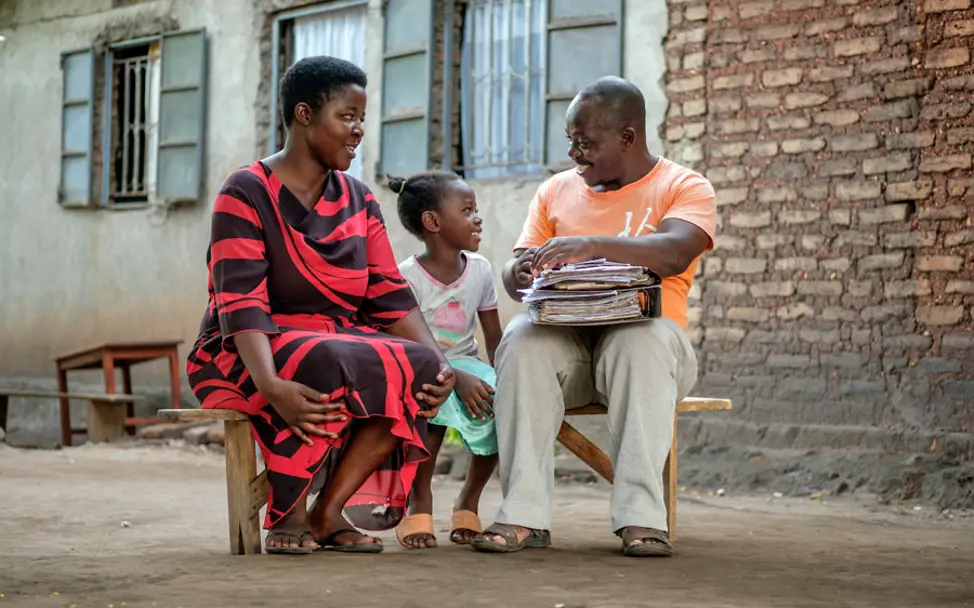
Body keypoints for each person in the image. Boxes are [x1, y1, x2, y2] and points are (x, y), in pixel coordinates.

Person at [186, 56, 455, 555]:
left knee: (417, 366)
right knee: (328, 357)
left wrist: (439, 362)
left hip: (333, 342)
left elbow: (389, 292)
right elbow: (241, 301)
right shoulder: (245, 192)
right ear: (304, 115)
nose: (357, 132)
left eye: (361, 119)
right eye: (346, 117)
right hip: (244, 350)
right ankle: (285, 515)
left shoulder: (359, 199)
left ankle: (328, 512)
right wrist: (271, 385)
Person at [470, 76, 716, 558]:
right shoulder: (555, 192)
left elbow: (674, 251)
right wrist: (517, 271)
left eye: (586, 144)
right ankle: (523, 514)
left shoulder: (683, 185)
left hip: (650, 360)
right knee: (521, 338)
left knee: (638, 340)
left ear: (628, 137)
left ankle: (642, 519)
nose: (575, 156)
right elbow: (516, 265)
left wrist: (592, 246)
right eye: (571, 143)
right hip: (570, 358)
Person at [387, 172, 502, 549]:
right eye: (467, 211)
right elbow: (404, 344)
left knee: (499, 400)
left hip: (467, 364)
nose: (477, 218)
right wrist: (450, 374)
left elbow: (492, 335)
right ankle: (419, 500)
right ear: (433, 222)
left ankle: (469, 498)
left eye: (476, 210)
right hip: (421, 366)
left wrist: (505, 377)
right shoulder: (407, 277)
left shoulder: (481, 269)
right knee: (430, 403)